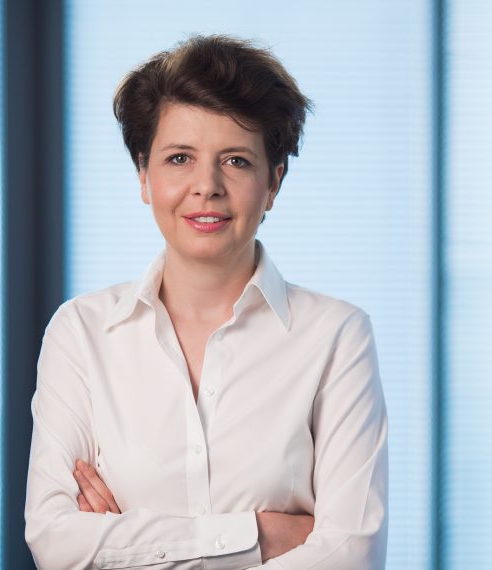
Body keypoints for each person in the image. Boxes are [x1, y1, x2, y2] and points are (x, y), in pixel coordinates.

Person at [24, 35, 388, 569]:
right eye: (179, 158)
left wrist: (126, 545)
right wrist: (260, 536)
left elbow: (352, 555)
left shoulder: (337, 336)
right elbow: (56, 542)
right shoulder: (80, 333)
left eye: (236, 161)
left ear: (273, 183)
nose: (207, 186)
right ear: (144, 176)